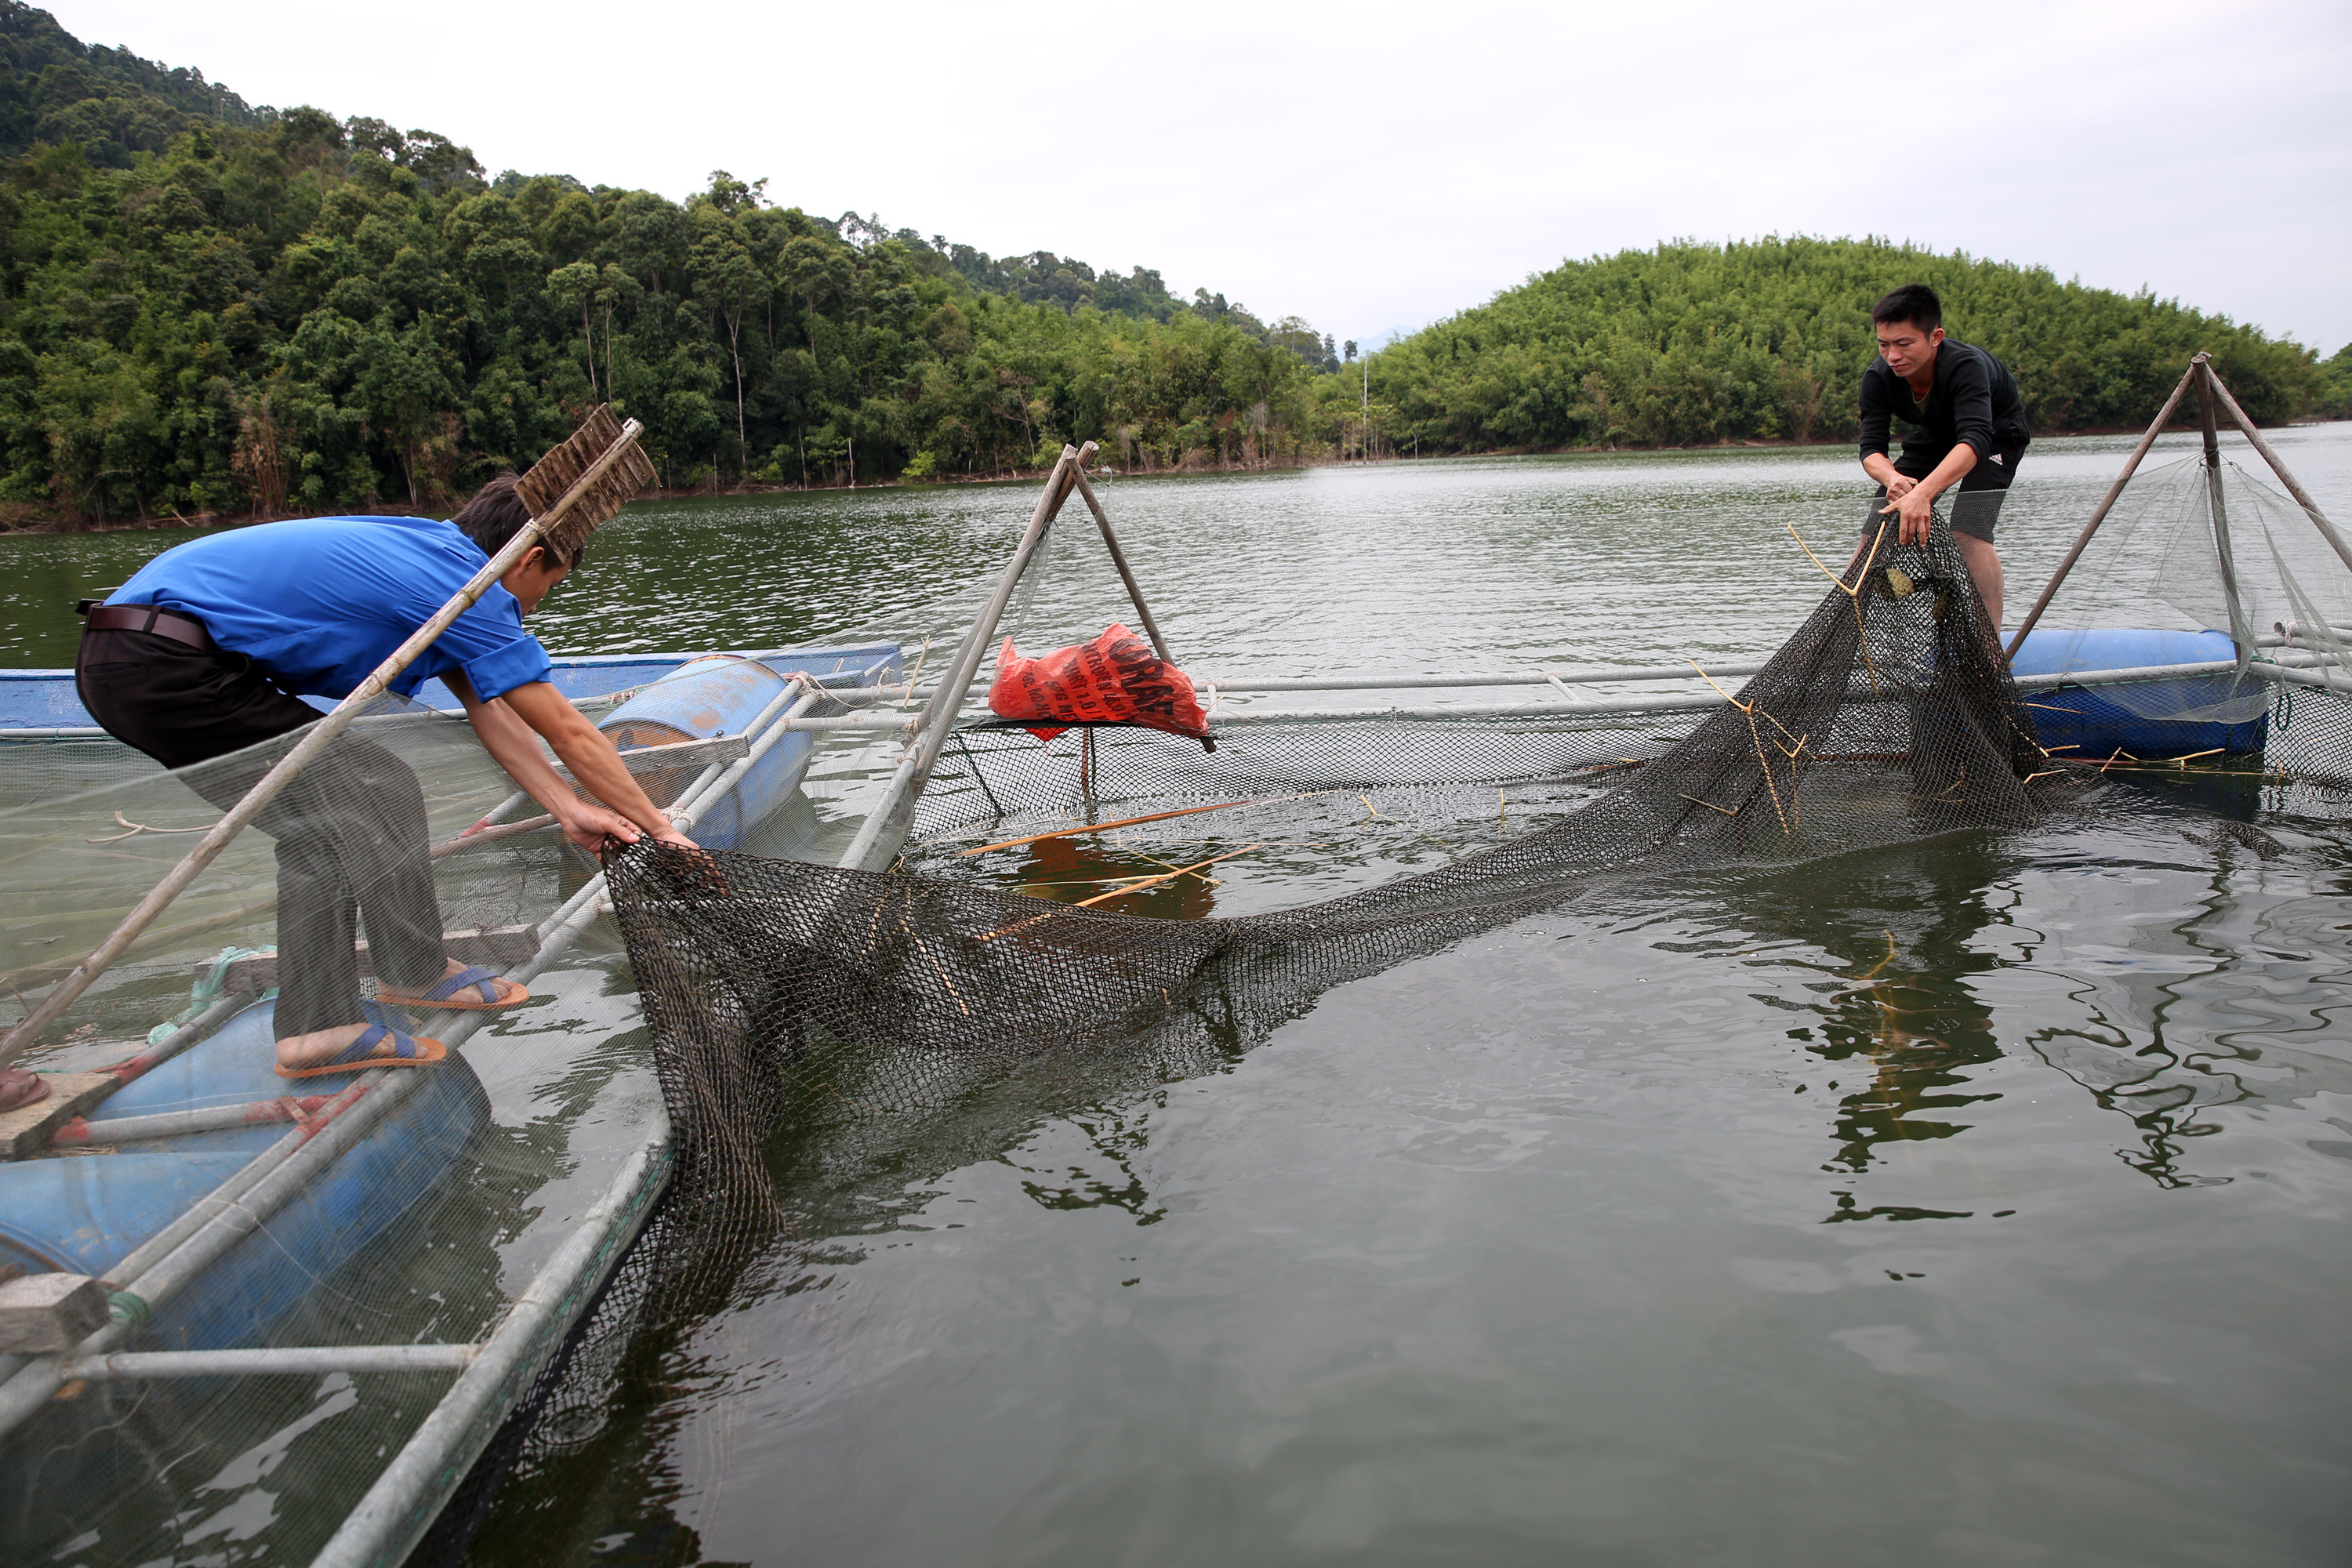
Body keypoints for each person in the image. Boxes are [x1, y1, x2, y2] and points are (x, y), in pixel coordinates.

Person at [72, 477, 697, 1080]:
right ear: (527, 559)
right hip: (163, 662)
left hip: (136, 656)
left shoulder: (434, 562)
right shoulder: (458, 582)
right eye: (547, 587)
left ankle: (375, 992)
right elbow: (570, 732)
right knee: (356, 799)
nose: (533, 606)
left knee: (356, 800)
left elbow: (496, 713)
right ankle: (354, 1006)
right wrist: (660, 828)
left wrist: (567, 807)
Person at [1858, 283, 2031, 628]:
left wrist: (1923, 493)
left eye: (1904, 344)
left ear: (1935, 337)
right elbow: (1871, 450)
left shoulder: (1966, 366)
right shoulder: (1878, 377)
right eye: (1884, 344)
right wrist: (1893, 479)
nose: (1893, 355)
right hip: (1937, 433)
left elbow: (1975, 439)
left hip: (1996, 434)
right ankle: (1845, 638)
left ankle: (1990, 645)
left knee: (1968, 531)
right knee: (1878, 525)